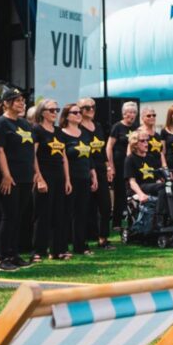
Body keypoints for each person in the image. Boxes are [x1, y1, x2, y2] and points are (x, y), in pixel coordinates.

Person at [0, 88, 35, 271]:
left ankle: (14, 254)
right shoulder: (0, 123)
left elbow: (31, 151)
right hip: (8, 176)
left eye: (23, 100)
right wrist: (6, 175)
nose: (22, 103)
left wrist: (35, 172)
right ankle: (3, 258)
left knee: (18, 217)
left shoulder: (24, 124)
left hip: (25, 176)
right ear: (6, 103)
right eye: (17, 100)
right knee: (8, 216)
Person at [31, 99, 71, 261]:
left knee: (58, 213)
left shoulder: (58, 131)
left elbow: (64, 157)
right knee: (42, 215)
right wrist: (39, 178)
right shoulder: (36, 129)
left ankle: (57, 250)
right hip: (44, 173)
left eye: (57, 109)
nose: (55, 112)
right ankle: (37, 251)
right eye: (52, 110)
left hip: (58, 175)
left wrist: (67, 179)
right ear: (42, 112)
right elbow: (32, 155)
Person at [60, 103, 95, 256]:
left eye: (80, 112)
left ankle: (80, 245)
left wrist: (93, 174)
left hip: (84, 176)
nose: (79, 114)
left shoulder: (85, 133)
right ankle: (63, 246)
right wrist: (67, 179)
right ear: (67, 116)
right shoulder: (61, 134)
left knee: (82, 212)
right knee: (67, 213)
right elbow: (63, 157)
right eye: (75, 112)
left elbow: (90, 156)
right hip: (70, 177)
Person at [78, 98, 113, 250]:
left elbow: (104, 148)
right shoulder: (77, 128)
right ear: (80, 110)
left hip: (100, 168)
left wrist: (108, 167)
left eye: (93, 107)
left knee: (105, 205)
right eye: (87, 107)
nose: (91, 109)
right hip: (84, 169)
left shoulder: (98, 126)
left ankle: (103, 238)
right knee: (85, 207)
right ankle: (83, 239)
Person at [106, 101, 138, 230]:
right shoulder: (117, 127)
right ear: (124, 114)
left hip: (132, 164)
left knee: (131, 193)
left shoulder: (136, 127)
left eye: (134, 112)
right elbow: (109, 147)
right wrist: (111, 166)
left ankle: (133, 221)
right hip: (119, 164)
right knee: (119, 193)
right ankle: (116, 223)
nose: (132, 115)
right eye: (129, 112)